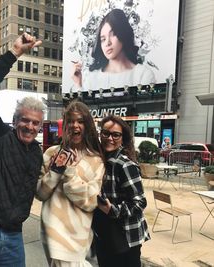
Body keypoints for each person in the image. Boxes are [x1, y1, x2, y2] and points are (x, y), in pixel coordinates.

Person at [0, 33, 44, 266]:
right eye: (25, 120)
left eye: (35, 123)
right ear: (15, 121)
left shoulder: (37, 152)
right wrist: (14, 52)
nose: (29, 126)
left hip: (14, 235)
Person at [36, 100, 105, 267]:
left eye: (80, 121)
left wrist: (69, 173)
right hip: (49, 233)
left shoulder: (96, 160)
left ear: (87, 125)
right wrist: (55, 171)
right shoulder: (51, 152)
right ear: (65, 125)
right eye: (70, 121)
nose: (75, 125)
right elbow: (40, 193)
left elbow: (90, 202)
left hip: (76, 237)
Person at [92, 115, 150, 267]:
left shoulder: (124, 165)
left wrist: (112, 209)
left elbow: (140, 203)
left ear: (122, 138)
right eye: (106, 133)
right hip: (105, 235)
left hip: (126, 238)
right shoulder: (99, 162)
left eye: (115, 135)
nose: (110, 138)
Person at [72, 8, 156, 91]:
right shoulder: (92, 77)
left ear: (123, 33)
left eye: (113, 34)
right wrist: (78, 84)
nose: (107, 43)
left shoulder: (143, 75)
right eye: (103, 39)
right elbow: (81, 104)